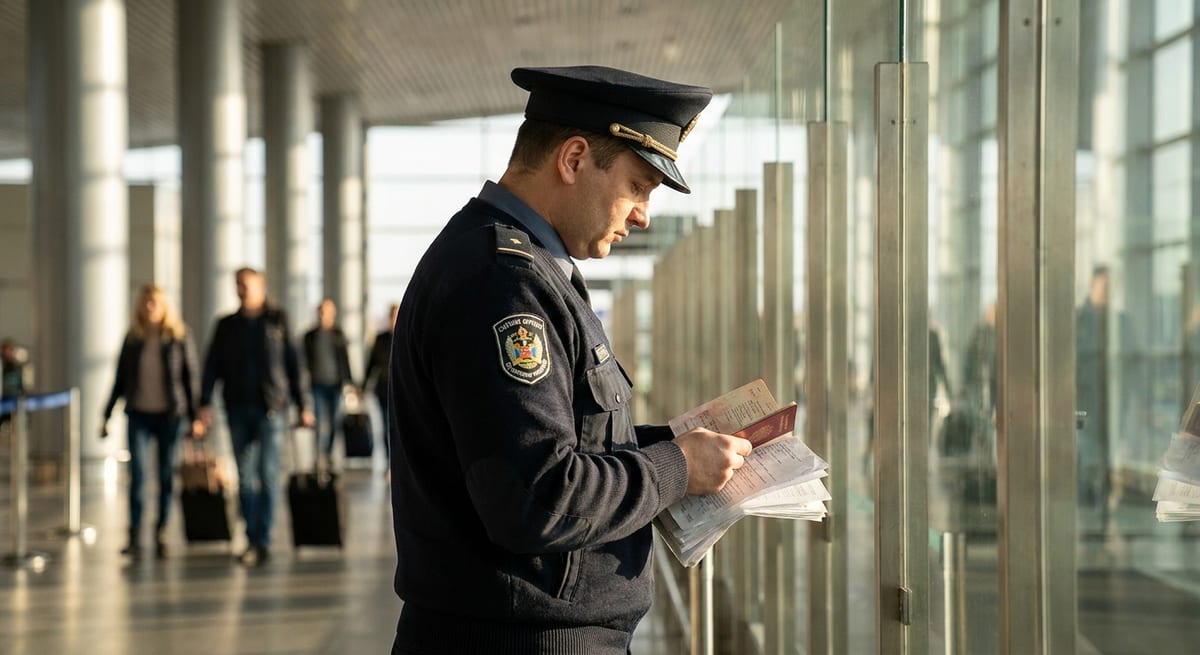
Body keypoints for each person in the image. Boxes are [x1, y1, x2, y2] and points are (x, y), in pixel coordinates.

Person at [387, 66, 752, 654]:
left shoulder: (522, 268)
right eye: (638, 186)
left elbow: (560, 445)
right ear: (575, 158)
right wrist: (674, 468)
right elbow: (538, 498)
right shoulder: (502, 283)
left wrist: (682, 448)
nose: (643, 215)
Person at [199, 267, 313, 566]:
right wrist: (204, 404)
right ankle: (251, 537)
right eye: (237, 285)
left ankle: (262, 538)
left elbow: (295, 364)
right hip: (237, 407)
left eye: (246, 285)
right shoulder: (226, 326)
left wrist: (305, 405)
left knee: (269, 473)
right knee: (246, 477)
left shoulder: (278, 321)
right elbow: (212, 366)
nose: (241, 290)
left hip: (271, 408)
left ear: (261, 287)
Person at [100, 285, 204, 558]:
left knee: (166, 474)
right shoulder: (133, 339)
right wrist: (107, 414)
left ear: (164, 306)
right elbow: (120, 379)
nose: (150, 308)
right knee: (139, 476)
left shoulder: (179, 337)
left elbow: (191, 378)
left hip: (171, 416)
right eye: (146, 303)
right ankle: (135, 534)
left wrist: (196, 417)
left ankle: (161, 531)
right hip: (139, 414)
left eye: (154, 303)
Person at [1076, 266, 1111, 526]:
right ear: (1094, 286)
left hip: (1107, 411)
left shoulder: (1115, 322)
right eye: (1105, 287)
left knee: (1101, 470)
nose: (1108, 293)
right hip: (1086, 409)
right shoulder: (1080, 321)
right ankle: (1087, 526)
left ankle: (1098, 524)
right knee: (1087, 468)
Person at [302, 298, 353, 462]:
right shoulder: (309, 336)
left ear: (333, 314)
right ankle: (318, 454)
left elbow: (345, 359)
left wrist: (350, 382)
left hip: (335, 385)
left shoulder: (338, 335)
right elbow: (303, 361)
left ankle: (328, 453)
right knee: (317, 420)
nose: (324, 315)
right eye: (321, 311)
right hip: (317, 384)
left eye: (327, 312)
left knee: (334, 421)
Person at [363, 303, 399, 463]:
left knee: (398, 428)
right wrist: (363, 387)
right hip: (383, 389)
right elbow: (372, 364)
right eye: (392, 316)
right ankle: (388, 461)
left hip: (400, 391)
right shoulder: (380, 339)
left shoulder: (405, 336)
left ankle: (398, 462)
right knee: (385, 427)